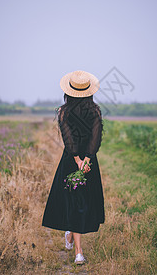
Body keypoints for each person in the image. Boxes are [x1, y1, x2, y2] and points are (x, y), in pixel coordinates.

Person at [42, 70, 105, 264]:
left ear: (69, 91)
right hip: (88, 162)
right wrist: (86, 158)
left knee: (74, 201)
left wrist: (77, 159)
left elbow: (67, 138)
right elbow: (96, 137)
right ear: (89, 91)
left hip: (71, 160)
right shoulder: (95, 111)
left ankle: (71, 235)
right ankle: (79, 252)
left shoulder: (63, 111)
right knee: (81, 202)